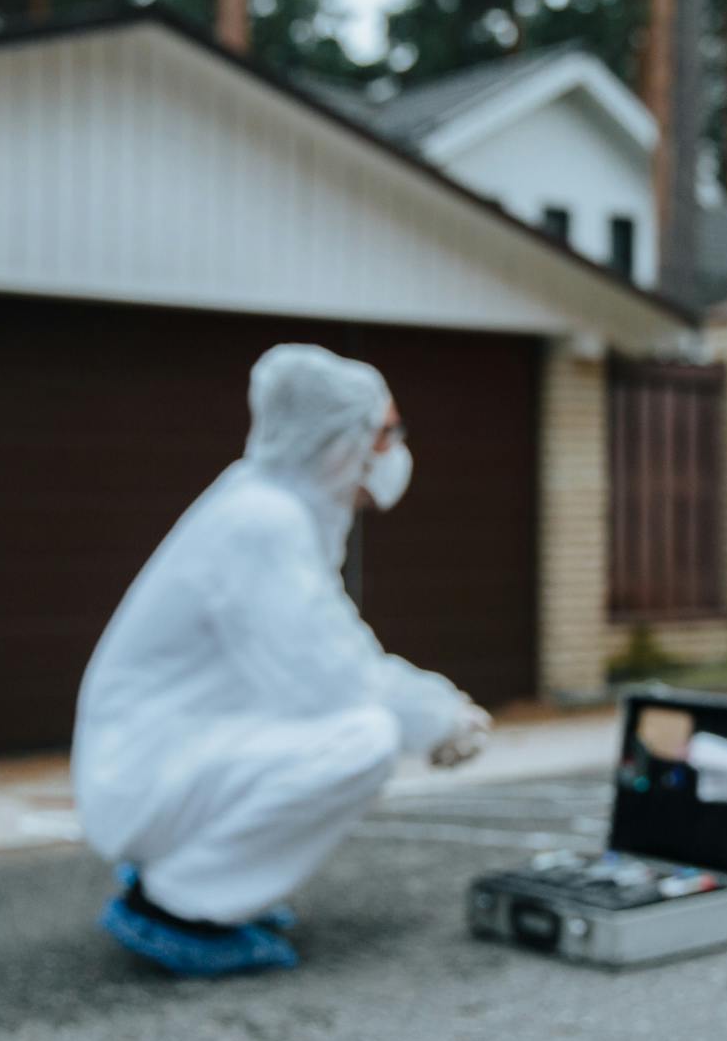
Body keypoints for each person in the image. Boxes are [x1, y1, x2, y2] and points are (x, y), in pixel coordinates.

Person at [71, 344, 492, 977]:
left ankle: (199, 880)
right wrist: (438, 717)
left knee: (349, 722)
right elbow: (335, 680)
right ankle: (179, 905)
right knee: (363, 737)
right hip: (142, 773)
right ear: (337, 441)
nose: (396, 450)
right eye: (385, 433)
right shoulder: (263, 522)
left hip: (158, 756)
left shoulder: (273, 507)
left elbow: (322, 649)